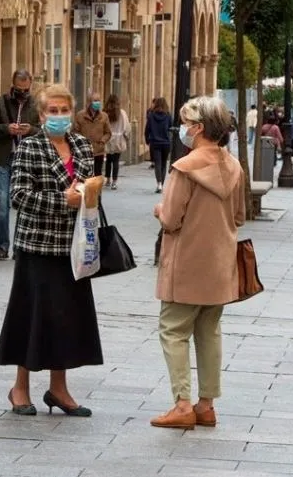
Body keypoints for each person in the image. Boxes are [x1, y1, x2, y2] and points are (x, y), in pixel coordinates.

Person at [0, 84, 102, 418]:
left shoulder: (81, 145)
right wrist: (62, 200)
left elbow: (88, 188)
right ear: (41, 115)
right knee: (31, 316)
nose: (58, 116)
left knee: (66, 319)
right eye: (52, 111)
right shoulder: (30, 146)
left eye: (63, 110)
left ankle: (59, 388)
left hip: (74, 246)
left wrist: (88, 193)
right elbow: (19, 195)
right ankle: (20, 388)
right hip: (38, 246)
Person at [150, 95, 245, 430]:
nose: (183, 129)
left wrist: (160, 210)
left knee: (173, 330)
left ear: (199, 128)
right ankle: (206, 405)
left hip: (186, 262)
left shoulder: (185, 168)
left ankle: (181, 404)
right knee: (209, 332)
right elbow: (239, 216)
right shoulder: (234, 166)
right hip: (220, 263)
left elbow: (171, 219)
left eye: (187, 123)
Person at [0, 69, 41, 261]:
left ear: (30, 86)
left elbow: (44, 130)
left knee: (23, 204)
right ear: (13, 84)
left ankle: (19, 247)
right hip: (3, 159)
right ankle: (2, 246)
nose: (22, 93)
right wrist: (6, 129)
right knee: (2, 202)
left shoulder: (36, 105)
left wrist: (30, 130)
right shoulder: (0, 103)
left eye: (25, 89)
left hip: (26, 161)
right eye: (19, 89)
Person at [73, 92, 111, 176]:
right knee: (85, 175)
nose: (97, 103)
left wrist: (102, 141)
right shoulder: (80, 115)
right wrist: (81, 142)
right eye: (95, 100)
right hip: (84, 151)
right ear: (89, 102)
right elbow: (75, 131)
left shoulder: (104, 116)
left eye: (99, 100)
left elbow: (108, 133)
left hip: (98, 151)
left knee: (97, 175)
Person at [104, 93, 130, 190]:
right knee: (116, 161)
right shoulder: (122, 113)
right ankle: (114, 182)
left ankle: (107, 180)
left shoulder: (105, 113)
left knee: (108, 160)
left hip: (108, 139)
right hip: (119, 140)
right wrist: (126, 136)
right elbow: (127, 127)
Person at [145, 97, 172, 193]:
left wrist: (147, 140)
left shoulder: (151, 116)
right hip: (165, 143)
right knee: (164, 164)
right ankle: (161, 185)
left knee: (157, 163)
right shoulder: (168, 115)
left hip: (155, 142)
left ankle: (159, 184)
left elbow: (147, 129)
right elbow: (170, 126)